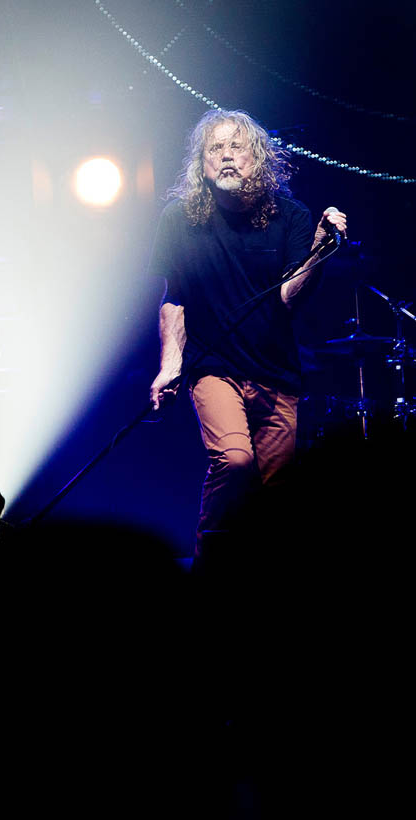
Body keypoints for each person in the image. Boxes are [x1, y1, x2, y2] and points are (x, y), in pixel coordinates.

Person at [148, 109, 347, 570]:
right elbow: (173, 297)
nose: (226, 156)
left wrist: (319, 251)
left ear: (259, 158)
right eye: (215, 148)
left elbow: (288, 298)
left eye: (237, 146)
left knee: (275, 495)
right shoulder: (179, 219)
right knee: (235, 461)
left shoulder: (290, 215)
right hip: (213, 368)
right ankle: (208, 565)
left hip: (276, 373)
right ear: (201, 165)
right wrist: (170, 365)